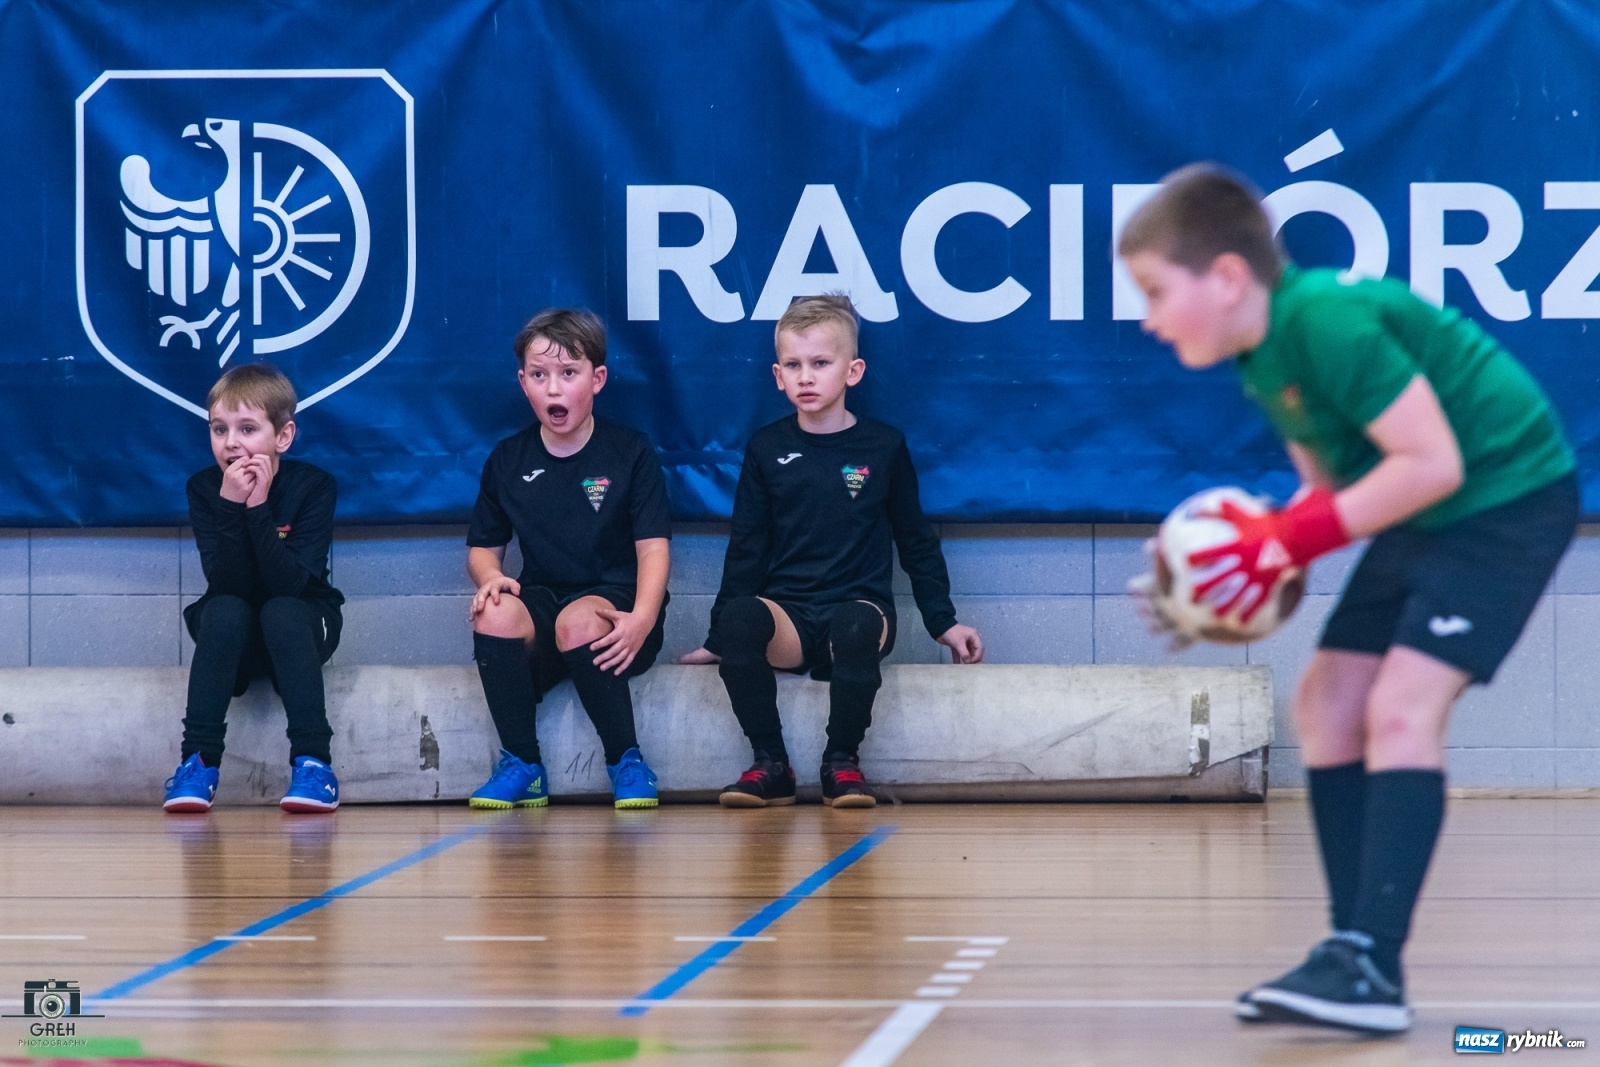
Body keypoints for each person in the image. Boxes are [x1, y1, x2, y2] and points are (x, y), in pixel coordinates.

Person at [1120, 164, 1578, 1034]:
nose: (1147, 317)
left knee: (1402, 707)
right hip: (1432, 507)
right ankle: (1353, 956)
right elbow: (1329, 494)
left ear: (1226, 276)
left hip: (1507, 497)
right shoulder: (1261, 357)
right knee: (1327, 700)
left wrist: (1279, 543)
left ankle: (1370, 960)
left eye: (1155, 291)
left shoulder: (1323, 318)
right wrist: (1221, 577)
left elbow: (1432, 462)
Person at [680, 294, 985, 809]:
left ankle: (841, 762)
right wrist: (720, 638)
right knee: (740, 619)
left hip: (859, 611)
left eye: (820, 363)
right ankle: (771, 765)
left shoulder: (883, 447)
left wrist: (944, 622)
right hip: (790, 619)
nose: (806, 377)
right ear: (778, 376)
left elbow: (915, 540)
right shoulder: (766, 448)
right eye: (793, 365)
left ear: (853, 371)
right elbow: (747, 547)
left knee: (854, 625)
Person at [466, 308, 671, 810]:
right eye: (539, 375)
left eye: (568, 373)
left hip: (616, 610)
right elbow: (483, 549)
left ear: (597, 379)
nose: (553, 388)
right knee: (494, 611)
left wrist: (643, 619)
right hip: (543, 603)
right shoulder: (508, 459)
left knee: (578, 621)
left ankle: (626, 760)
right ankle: (522, 764)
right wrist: (490, 578)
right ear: (523, 383)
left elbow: (653, 548)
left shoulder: (630, 452)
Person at [163, 364, 346, 814]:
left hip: (300, 626)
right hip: (236, 634)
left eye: (247, 429)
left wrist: (258, 506)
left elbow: (290, 584)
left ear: (282, 436)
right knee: (225, 609)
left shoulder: (313, 487)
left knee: (281, 610)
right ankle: (198, 763)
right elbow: (227, 583)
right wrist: (230, 504)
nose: (231, 442)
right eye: (219, 429)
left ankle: (314, 764)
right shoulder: (205, 489)